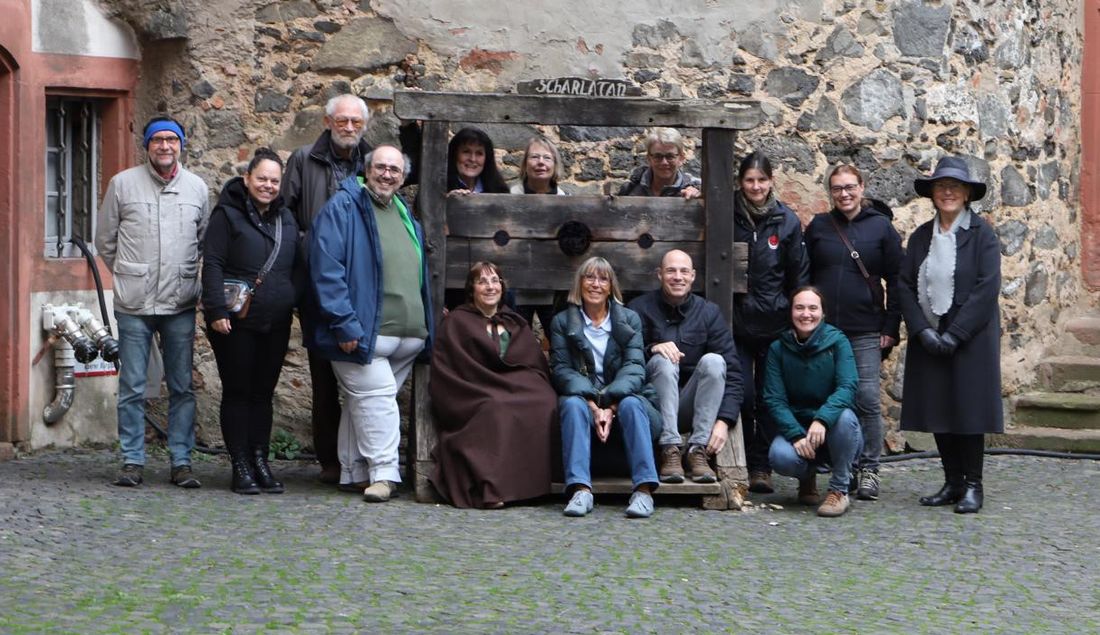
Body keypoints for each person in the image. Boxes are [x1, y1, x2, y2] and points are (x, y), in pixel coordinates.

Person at [307, 145, 433, 502]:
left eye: (395, 169)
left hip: (407, 336)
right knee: (377, 401)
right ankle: (384, 473)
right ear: (367, 169)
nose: (387, 175)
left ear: (403, 177)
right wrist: (344, 324)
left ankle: (353, 471)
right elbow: (326, 269)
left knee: (361, 403)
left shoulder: (403, 211)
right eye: (381, 167)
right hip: (363, 334)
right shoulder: (343, 207)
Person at [95, 115, 210, 489]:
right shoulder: (123, 184)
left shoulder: (197, 188)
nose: (164, 146)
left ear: (181, 145)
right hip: (135, 304)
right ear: (146, 146)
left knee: (181, 386)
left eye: (171, 140)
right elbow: (105, 240)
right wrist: (131, 273)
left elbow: (203, 240)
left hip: (179, 303)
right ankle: (132, 460)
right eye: (157, 140)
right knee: (132, 385)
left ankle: (182, 461)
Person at [899, 157, 1002, 514]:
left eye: (955, 187)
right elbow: (904, 285)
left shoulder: (982, 235)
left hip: (971, 338)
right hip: (930, 336)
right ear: (932, 194)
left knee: (968, 410)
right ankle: (953, 482)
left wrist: (956, 334)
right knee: (938, 408)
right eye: (941, 186)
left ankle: (973, 485)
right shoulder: (921, 237)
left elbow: (987, 288)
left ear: (967, 194)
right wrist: (922, 330)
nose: (947, 192)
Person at [283, 93, 373, 485]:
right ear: (327, 122)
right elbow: (285, 212)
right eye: (342, 121)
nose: (349, 128)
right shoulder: (304, 160)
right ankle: (330, 460)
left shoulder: (373, 162)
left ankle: (362, 458)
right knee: (323, 375)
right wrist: (308, 245)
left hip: (363, 279)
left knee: (363, 371)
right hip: (317, 281)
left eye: (356, 122)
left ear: (364, 126)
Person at [201, 148, 301, 495]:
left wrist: (294, 298)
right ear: (247, 179)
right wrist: (216, 310)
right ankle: (240, 465)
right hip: (235, 321)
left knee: (263, 394)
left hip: (275, 321)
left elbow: (296, 264)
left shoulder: (285, 217)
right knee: (238, 392)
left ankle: (260, 461)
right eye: (262, 179)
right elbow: (213, 263)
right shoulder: (226, 215)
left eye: (274, 180)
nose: (268, 186)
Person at [804, 164, 903, 501]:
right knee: (825, 397)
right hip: (824, 330)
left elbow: (898, 279)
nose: (844, 194)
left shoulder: (881, 227)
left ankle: (869, 468)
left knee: (867, 399)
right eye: (837, 189)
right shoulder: (819, 226)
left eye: (849, 187)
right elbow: (804, 275)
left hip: (865, 328)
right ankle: (837, 467)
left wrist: (891, 326)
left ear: (862, 187)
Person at [428, 262, 557, 508]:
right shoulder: (457, 322)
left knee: (546, 401)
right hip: (473, 390)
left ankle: (534, 486)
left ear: (502, 287)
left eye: (495, 281)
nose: (490, 287)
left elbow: (532, 363)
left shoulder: (514, 322)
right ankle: (493, 489)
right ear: (472, 289)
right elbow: (449, 368)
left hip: (512, 386)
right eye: (482, 282)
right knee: (496, 407)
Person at [550, 257, 661, 519]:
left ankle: (644, 491)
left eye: (603, 279)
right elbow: (562, 370)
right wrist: (592, 402)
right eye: (589, 277)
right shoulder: (562, 322)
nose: (595, 284)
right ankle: (580, 490)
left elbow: (634, 367)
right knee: (571, 403)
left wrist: (611, 405)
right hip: (585, 403)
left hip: (626, 403)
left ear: (611, 286)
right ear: (579, 284)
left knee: (632, 403)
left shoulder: (630, 320)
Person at [731, 151, 810, 495]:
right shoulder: (727, 214)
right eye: (750, 180)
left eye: (761, 180)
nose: (756, 187)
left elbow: (798, 274)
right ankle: (737, 459)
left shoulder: (786, 221)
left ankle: (761, 465)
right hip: (736, 321)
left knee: (769, 396)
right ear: (740, 182)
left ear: (771, 181)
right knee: (742, 394)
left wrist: (794, 318)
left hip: (774, 323)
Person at [628, 249, 743, 484]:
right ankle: (669, 449)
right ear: (659, 274)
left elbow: (733, 372)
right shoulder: (638, 309)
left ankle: (697, 450)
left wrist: (725, 421)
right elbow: (623, 361)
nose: (677, 277)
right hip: (653, 406)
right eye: (671, 271)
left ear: (692, 276)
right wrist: (652, 348)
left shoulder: (708, 312)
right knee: (664, 360)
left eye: (683, 271)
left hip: (692, 407)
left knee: (715, 361)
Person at [763, 286, 862, 518]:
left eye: (812, 308)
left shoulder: (838, 342)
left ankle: (839, 489)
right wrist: (795, 434)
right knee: (780, 457)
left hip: (834, 427)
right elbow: (774, 399)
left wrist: (822, 419)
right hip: (799, 426)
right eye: (799, 308)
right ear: (791, 312)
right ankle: (807, 477)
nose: (806, 314)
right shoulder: (778, 349)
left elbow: (847, 386)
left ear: (822, 313)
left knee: (845, 418)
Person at [617, 128, 702, 199]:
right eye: (658, 156)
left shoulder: (695, 188)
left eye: (670, 156)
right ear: (649, 158)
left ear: (681, 158)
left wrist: (698, 198)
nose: (664, 162)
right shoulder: (630, 188)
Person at [446, 127, 509, 195]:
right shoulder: (440, 186)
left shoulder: (499, 190)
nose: (473, 159)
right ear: (454, 154)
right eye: (466, 152)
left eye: (479, 153)